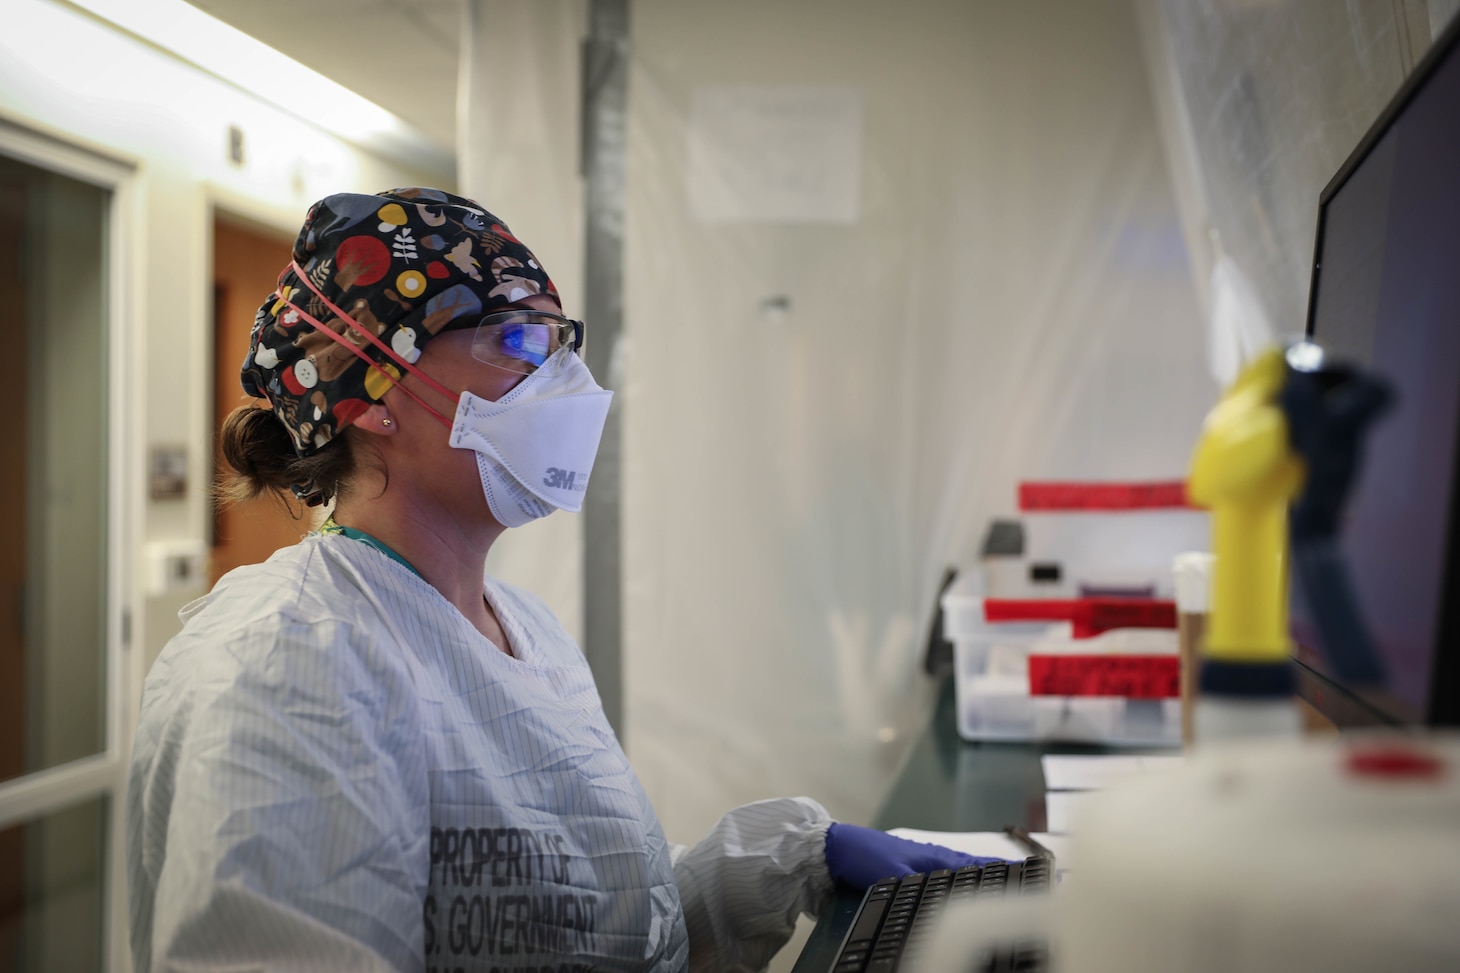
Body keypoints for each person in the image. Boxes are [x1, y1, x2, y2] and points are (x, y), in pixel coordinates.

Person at [127, 188, 992, 973]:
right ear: (372, 395)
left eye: (559, 344)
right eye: (515, 342)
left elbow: (589, 933)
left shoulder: (520, 632)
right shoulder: (289, 672)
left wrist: (789, 857)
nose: (567, 388)